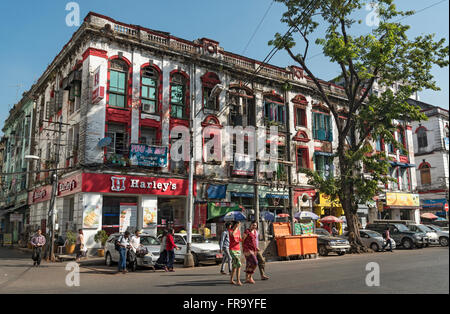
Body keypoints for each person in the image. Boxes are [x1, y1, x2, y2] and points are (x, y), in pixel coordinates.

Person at [229, 221, 243, 286]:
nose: (238, 226)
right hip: (232, 249)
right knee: (239, 264)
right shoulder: (230, 230)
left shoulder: (238, 231)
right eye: (237, 225)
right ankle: (238, 280)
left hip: (238, 249)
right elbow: (232, 235)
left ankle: (231, 280)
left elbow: (240, 239)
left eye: (239, 225)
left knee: (234, 266)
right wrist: (235, 229)